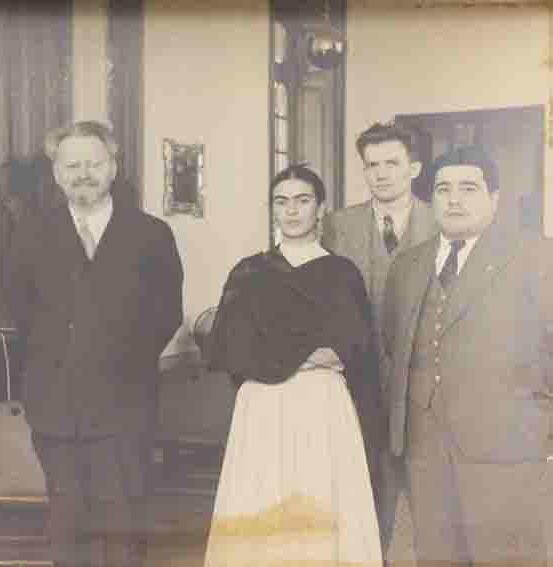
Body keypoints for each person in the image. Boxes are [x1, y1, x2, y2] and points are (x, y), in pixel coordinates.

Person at [5, 120, 183, 567]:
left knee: (122, 526)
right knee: (67, 528)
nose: (83, 174)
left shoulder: (151, 234)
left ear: (113, 168)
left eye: (93, 163)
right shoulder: (30, 233)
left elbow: (165, 315)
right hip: (54, 407)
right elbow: (18, 310)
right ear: (56, 173)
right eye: (72, 165)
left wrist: (113, 360)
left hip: (124, 407)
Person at [203, 164, 383, 566]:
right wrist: (304, 354)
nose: (292, 210)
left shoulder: (342, 273)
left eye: (302, 200)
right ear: (272, 209)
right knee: (263, 495)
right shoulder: (248, 272)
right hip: (263, 402)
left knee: (321, 493)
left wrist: (280, 349)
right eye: (282, 201)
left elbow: (353, 347)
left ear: (320, 208)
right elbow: (231, 346)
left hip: (322, 403)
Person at [383, 146, 553, 564]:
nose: (454, 199)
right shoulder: (407, 265)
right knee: (437, 557)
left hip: (508, 447)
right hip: (424, 450)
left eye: (468, 188)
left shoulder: (535, 256)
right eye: (443, 189)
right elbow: (394, 342)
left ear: (494, 197)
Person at [321, 121, 438, 552]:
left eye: (392, 163)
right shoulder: (337, 225)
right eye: (372, 165)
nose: (381, 174)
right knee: (363, 484)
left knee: (429, 488)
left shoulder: (440, 220)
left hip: (424, 381)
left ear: (415, 168)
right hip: (357, 378)